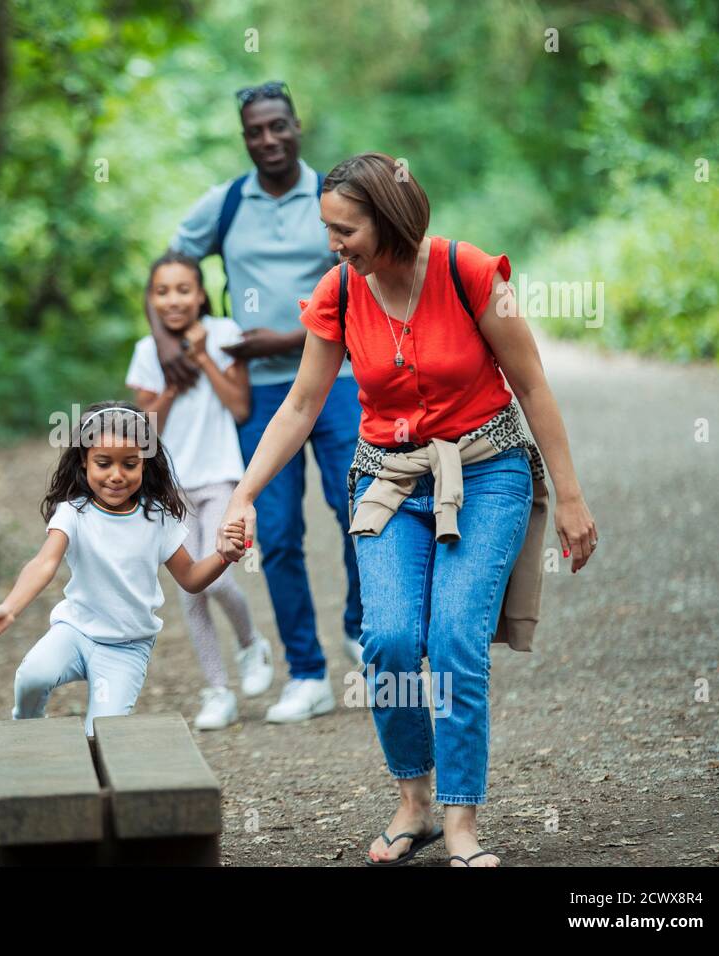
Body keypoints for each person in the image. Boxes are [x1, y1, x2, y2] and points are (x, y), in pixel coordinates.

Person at [215, 152, 598, 867]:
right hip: (388, 481)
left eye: (345, 230)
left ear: (389, 220)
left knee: (454, 639)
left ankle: (460, 820)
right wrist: (243, 493)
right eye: (327, 230)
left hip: (486, 474)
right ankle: (414, 802)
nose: (333, 245)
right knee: (388, 639)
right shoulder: (338, 292)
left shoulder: (475, 273)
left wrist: (571, 497)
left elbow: (534, 386)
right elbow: (300, 404)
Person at [154, 80, 363, 724]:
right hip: (262, 395)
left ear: (297, 126)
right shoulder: (225, 206)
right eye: (255, 131)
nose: (268, 139)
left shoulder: (332, 196)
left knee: (359, 507)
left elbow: (367, 277)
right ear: (244, 137)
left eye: (278, 126)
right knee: (272, 533)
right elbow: (169, 265)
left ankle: (364, 631)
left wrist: (293, 335)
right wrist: (168, 340)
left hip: (338, 380)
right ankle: (306, 673)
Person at [0, 401, 247, 778]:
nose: (116, 475)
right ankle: (19, 736)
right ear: (84, 462)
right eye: (104, 463)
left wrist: (224, 555)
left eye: (129, 464)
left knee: (101, 741)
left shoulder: (157, 519)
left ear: (145, 464)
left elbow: (191, 578)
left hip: (126, 647)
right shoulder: (73, 511)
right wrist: (10, 607)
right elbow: (44, 563)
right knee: (33, 675)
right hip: (76, 631)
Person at [125, 251, 271, 731]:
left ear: (201, 293)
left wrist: (204, 355)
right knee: (189, 593)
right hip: (169, 488)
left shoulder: (226, 333)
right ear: (151, 299)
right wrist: (171, 381)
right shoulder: (148, 351)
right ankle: (217, 691)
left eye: (183, 289)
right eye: (162, 291)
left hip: (220, 478)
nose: (174, 300)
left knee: (220, 577)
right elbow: (145, 431)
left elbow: (241, 407)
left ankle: (251, 643)